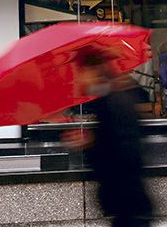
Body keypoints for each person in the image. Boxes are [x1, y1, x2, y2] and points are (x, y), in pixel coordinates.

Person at [61, 47, 153, 227]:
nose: (78, 78)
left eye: (80, 71)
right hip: (128, 207)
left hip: (129, 207)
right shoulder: (109, 100)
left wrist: (90, 145)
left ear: (93, 70)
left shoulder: (114, 102)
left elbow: (123, 156)